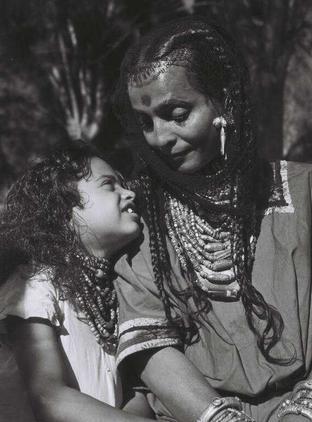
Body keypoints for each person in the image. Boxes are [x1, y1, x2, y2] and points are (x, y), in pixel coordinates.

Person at [113, 17, 312, 422]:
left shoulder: (304, 191)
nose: (159, 137)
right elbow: (152, 347)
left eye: (177, 113)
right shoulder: (142, 216)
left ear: (224, 100)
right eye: (146, 122)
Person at [0, 142, 155, 422]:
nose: (129, 193)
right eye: (109, 185)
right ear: (64, 210)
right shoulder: (35, 284)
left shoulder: (119, 289)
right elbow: (50, 398)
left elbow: (135, 394)